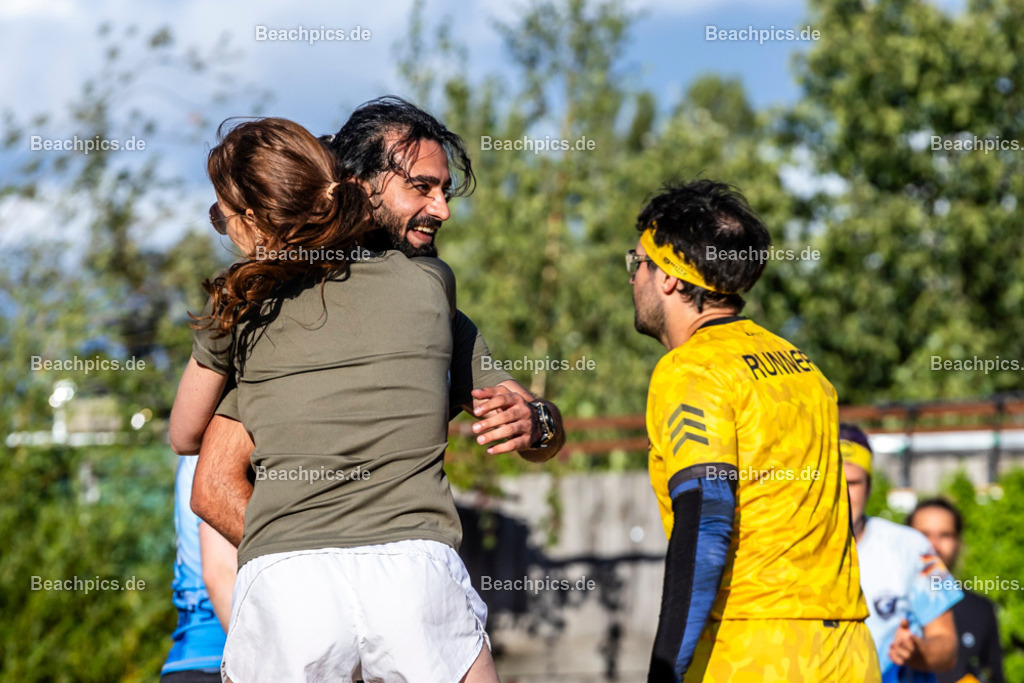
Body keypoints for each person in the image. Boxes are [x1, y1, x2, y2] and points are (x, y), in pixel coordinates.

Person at [169, 116, 505, 682]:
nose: (441, 208)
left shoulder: (245, 304)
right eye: (424, 187)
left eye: (221, 216)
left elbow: (185, 439)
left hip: (287, 581)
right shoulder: (430, 283)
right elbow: (504, 398)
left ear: (252, 220)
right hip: (413, 570)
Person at [189, 96, 564, 546]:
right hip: (375, 582)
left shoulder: (427, 302)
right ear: (357, 183)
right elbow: (214, 485)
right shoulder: (265, 302)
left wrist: (535, 420)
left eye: (444, 191)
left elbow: (545, 434)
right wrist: (323, 564)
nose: (442, 209)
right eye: (421, 187)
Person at [630, 179, 878, 682]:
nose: (632, 279)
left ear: (670, 279)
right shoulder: (803, 367)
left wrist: (664, 671)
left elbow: (706, 518)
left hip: (756, 650)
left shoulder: (691, 370)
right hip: (848, 647)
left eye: (637, 264)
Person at [841, 423, 963, 682]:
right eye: (832, 482)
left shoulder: (912, 547)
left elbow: (948, 647)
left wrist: (918, 652)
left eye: (852, 483)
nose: (841, 493)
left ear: (870, 488)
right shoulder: (789, 550)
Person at [908, 498, 1004, 683]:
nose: (933, 545)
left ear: (958, 542)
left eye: (945, 535)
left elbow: (995, 675)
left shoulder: (981, 610)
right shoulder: (888, 602)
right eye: (923, 535)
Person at [160, 456, 235, 682]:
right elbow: (220, 575)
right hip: (218, 662)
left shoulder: (199, 449)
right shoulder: (218, 446)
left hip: (195, 660)